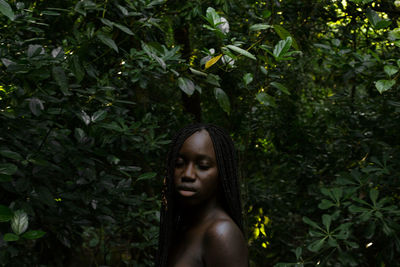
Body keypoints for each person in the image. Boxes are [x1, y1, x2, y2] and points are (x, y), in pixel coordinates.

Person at [156, 123, 248, 267]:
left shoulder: (221, 233)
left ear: (222, 174)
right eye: (179, 164)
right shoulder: (185, 226)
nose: (187, 174)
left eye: (203, 166)